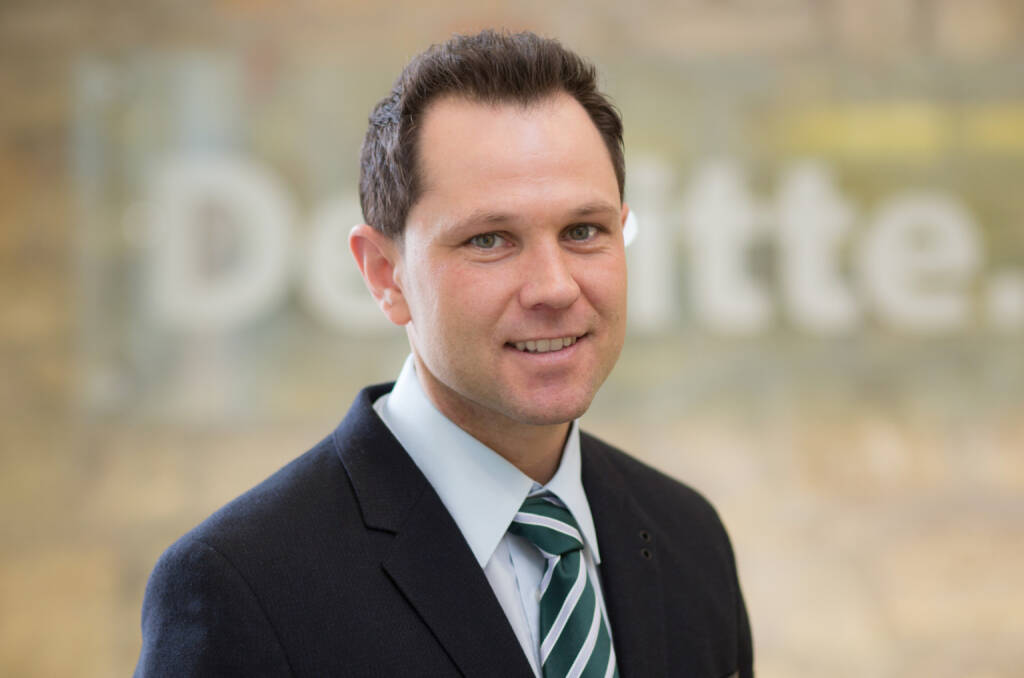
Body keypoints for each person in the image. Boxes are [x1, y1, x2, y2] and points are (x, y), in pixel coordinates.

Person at [135, 30, 753, 678]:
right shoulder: (240, 588)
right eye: (489, 239)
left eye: (583, 230)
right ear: (384, 274)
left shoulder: (690, 540)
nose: (554, 287)